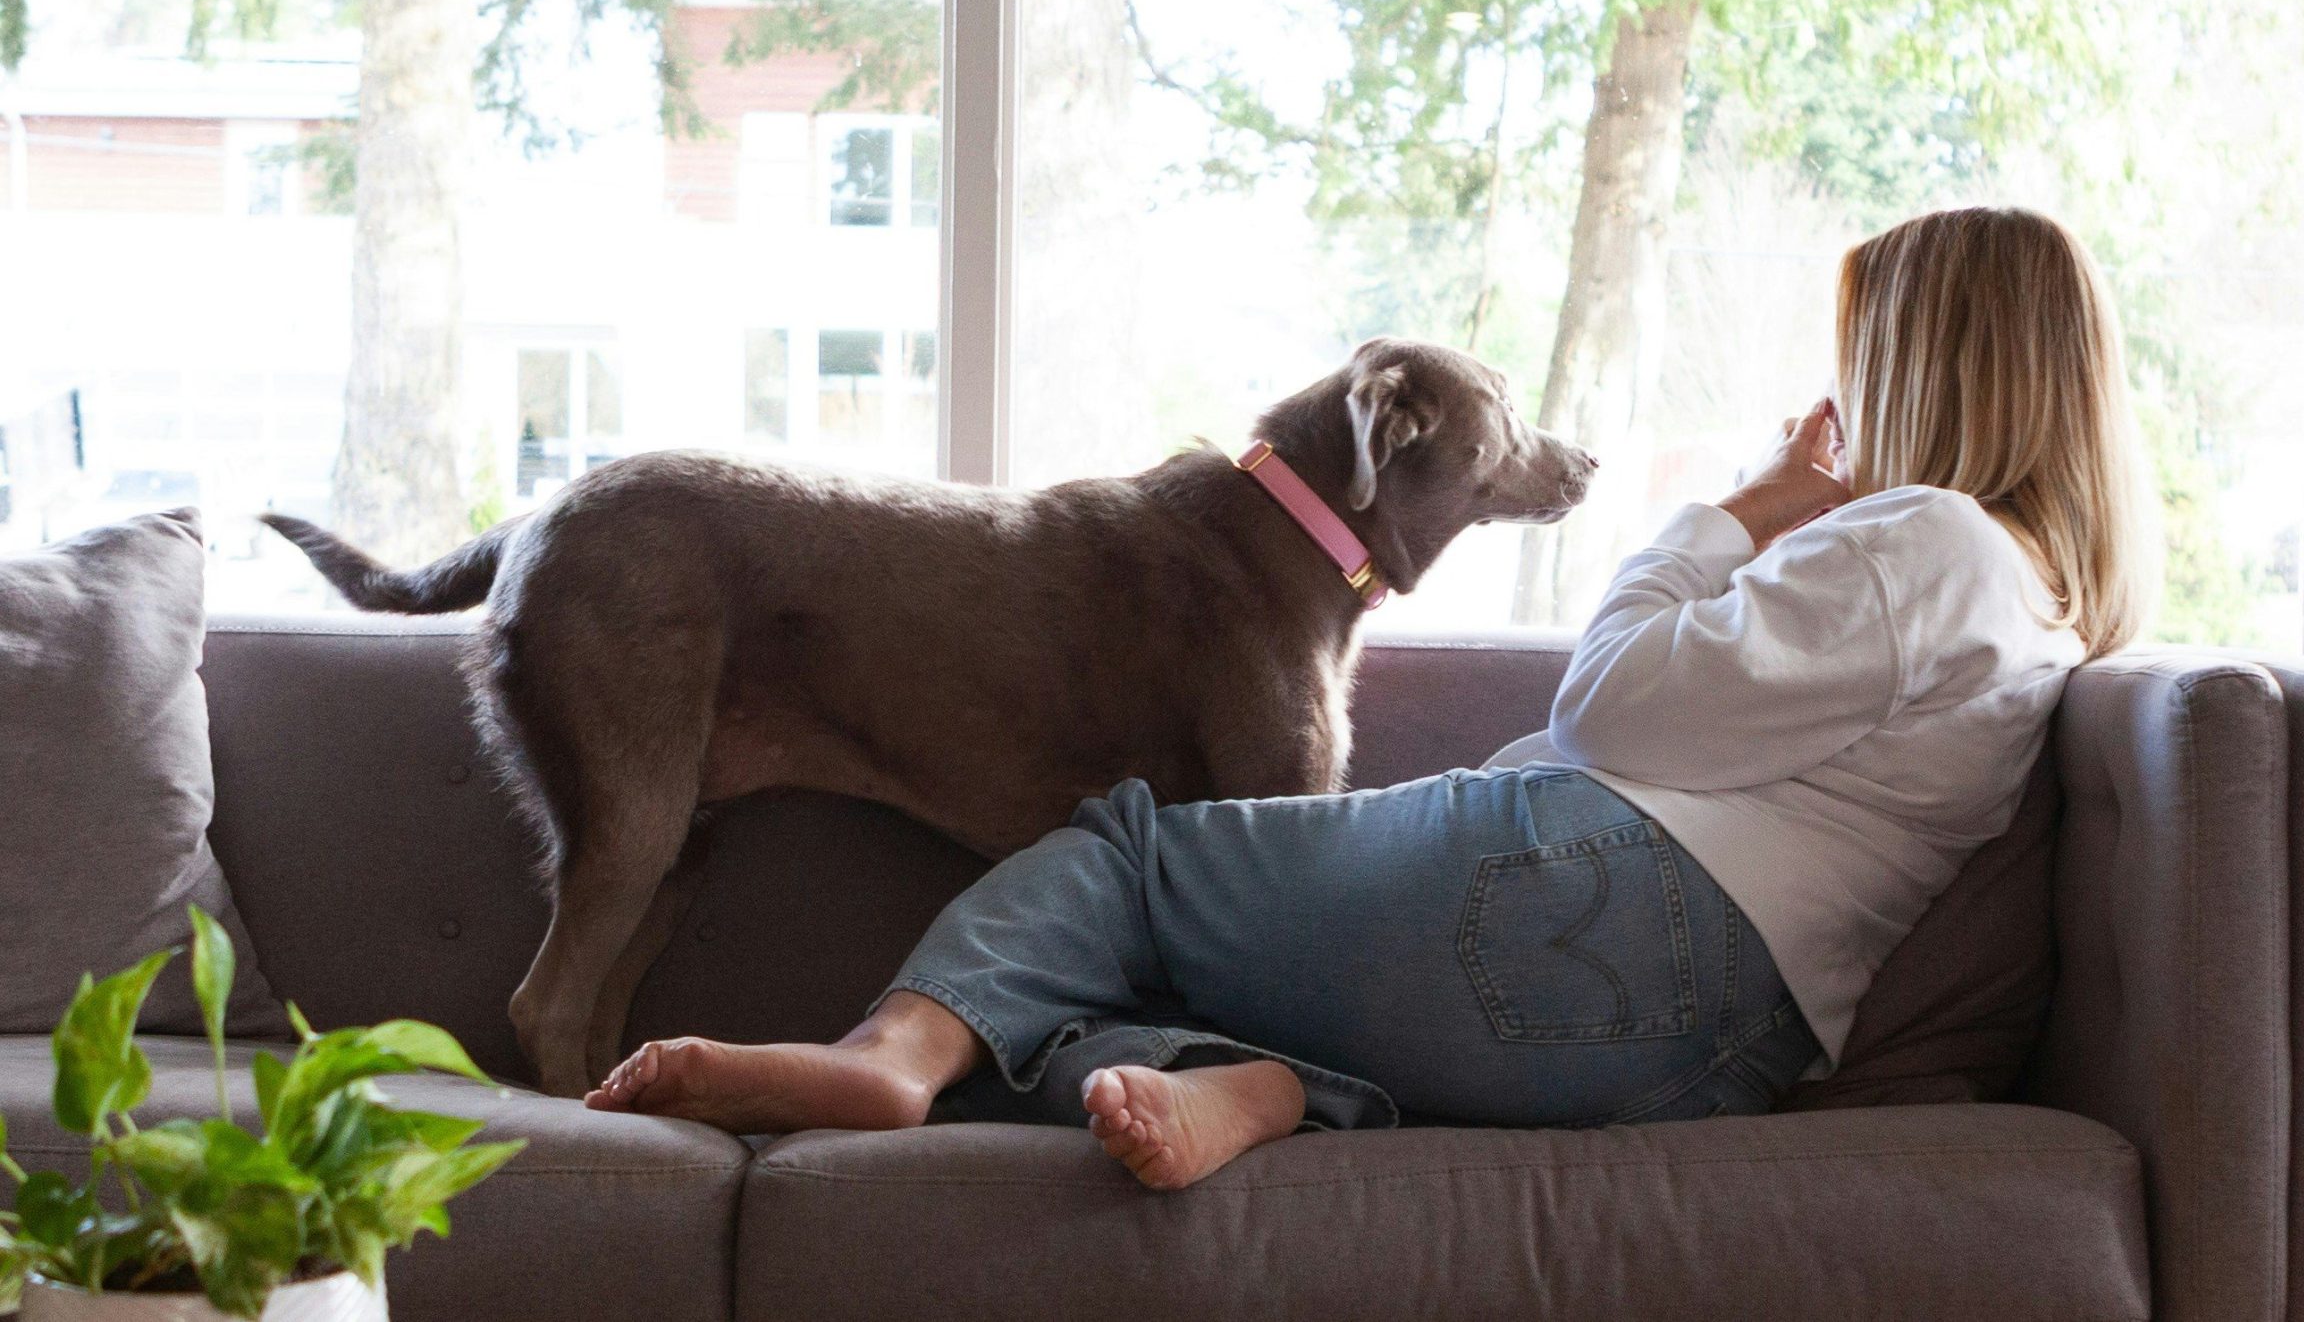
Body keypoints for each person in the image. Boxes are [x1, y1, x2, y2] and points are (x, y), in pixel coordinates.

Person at [587, 204, 2156, 1191]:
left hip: (1597, 890)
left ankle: (897, 1056)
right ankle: (1276, 1091)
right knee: (1157, 1005)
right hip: (1712, 1045)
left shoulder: (1923, 537)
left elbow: (1610, 703)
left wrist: (1736, 511)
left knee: (1130, 855)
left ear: (1933, 369)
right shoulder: (2033, 602)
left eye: (1863, 357)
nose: (1839, 402)